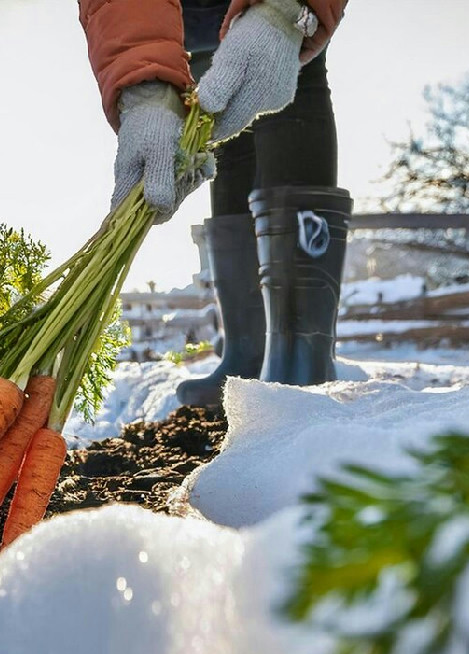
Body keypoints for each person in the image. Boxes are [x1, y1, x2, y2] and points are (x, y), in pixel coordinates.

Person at [78, 0, 351, 406]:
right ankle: (248, 351)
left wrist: (285, 11)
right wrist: (144, 86)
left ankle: (300, 357)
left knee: (290, 83)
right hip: (182, 16)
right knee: (222, 115)